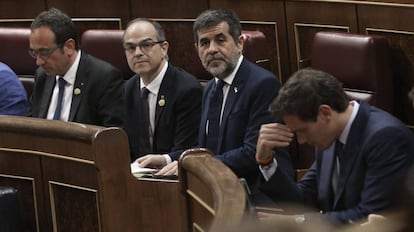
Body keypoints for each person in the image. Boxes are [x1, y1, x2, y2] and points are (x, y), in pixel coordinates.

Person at [154, 9, 293, 192]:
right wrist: (168, 159)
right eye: (204, 43)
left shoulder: (263, 84)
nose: (212, 49)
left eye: (220, 40)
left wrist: (195, 165)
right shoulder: (211, 88)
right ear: (197, 50)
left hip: (258, 193)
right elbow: (208, 148)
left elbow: (253, 152)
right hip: (218, 188)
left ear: (239, 43)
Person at [255, 68, 414, 225]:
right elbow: (303, 199)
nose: (301, 140)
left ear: (325, 113)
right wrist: (266, 161)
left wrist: (299, 222)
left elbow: (369, 214)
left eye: (302, 131)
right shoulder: (331, 133)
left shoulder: (385, 138)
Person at [122, 18, 203, 164]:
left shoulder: (187, 90)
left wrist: (164, 161)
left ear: (164, 48)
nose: (138, 53)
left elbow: (188, 149)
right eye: (130, 48)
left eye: (146, 45)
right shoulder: (127, 90)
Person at [28, 8, 124, 127]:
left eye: (44, 52)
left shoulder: (103, 79)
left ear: (69, 47)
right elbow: (31, 125)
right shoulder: (42, 75)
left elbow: (111, 137)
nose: (39, 61)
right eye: (34, 53)